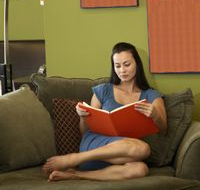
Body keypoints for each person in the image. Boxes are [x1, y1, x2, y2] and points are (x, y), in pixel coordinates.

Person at [43, 42, 167, 181]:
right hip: (94, 146)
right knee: (143, 149)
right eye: (117, 66)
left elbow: (163, 130)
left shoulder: (151, 95)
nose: (122, 71)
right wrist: (83, 117)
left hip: (124, 152)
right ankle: (75, 158)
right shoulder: (103, 90)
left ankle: (76, 174)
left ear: (137, 64)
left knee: (141, 169)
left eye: (127, 64)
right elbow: (85, 132)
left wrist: (155, 115)